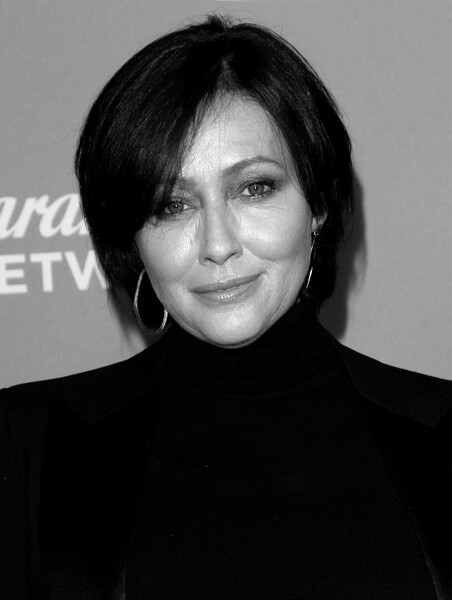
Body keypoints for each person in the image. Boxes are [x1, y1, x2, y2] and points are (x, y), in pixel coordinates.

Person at [1, 14, 452, 600]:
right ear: (132, 239)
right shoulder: (27, 448)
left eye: (254, 188)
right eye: (171, 205)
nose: (218, 244)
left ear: (317, 202)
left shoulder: (443, 432)